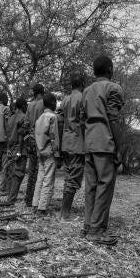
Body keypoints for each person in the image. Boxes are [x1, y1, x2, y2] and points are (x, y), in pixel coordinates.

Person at [82, 55, 124, 245]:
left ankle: (88, 225)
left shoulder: (86, 91)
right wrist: (119, 147)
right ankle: (96, 230)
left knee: (91, 186)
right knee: (105, 186)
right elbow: (113, 118)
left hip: (89, 142)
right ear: (110, 70)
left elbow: (83, 118)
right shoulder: (113, 88)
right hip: (105, 143)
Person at [60, 73, 86, 221]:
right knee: (74, 178)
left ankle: (63, 211)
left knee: (68, 175)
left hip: (66, 141)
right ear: (82, 83)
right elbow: (83, 120)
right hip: (77, 142)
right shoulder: (82, 97)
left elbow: (61, 119)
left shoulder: (65, 99)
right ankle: (65, 214)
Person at [32, 93, 61, 215]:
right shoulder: (53, 117)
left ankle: (35, 204)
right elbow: (53, 137)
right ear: (53, 103)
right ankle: (42, 208)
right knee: (48, 180)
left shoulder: (39, 118)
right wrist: (57, 153)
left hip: (40, 152)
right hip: (49, 152)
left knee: (40, 179)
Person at [22, 83, 45, 207]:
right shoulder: (43, 104)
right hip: (41, 140)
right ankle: (37, 200)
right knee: (40, 170)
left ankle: (28, 198)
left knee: (32, 169)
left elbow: (25, 123)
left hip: (31, 139)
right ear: (42, 92)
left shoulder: (30, 105)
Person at [2, 97, 28, 206]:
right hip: (19, 148)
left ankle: (9, 196)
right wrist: (19, 151)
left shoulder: (11, 118)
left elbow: (8, 135)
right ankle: (11, 199)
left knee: (10, 172)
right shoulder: (23, 117)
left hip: (10, 148)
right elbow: (21, 135)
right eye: (26, 106)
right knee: (18, 174)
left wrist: (8, 149)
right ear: (23, 106)